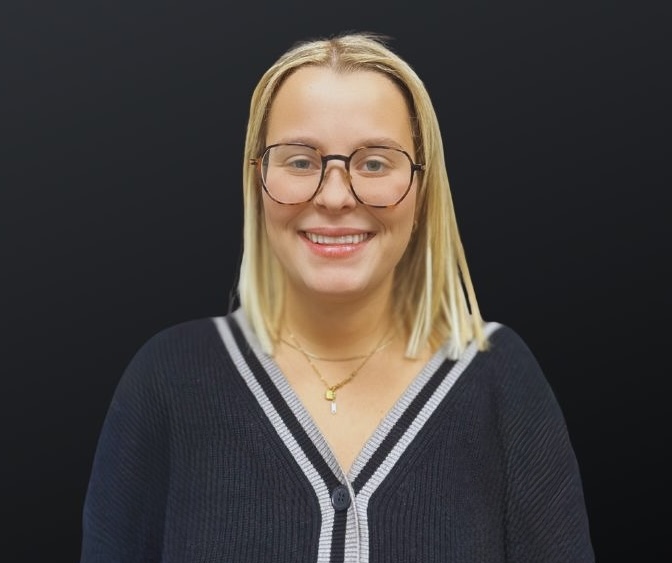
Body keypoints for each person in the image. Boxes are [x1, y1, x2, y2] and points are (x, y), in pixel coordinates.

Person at [80, 31, 595, 562]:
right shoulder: (167, 379)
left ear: (422, 187)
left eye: (374, 163)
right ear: (257, 179)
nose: (333, 196)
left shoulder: (501, 381)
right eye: (300, 161)